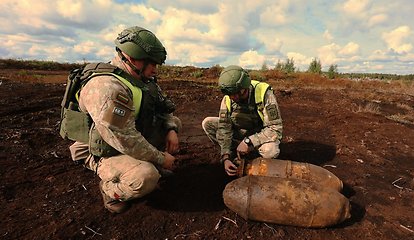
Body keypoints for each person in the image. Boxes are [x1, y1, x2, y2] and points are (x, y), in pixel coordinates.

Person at [63, 26, 181, 213]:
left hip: (127, 139)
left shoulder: (142, 79)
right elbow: (123, 138)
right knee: (145, 177)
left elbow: (164, 108)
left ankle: (150, 165)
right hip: (102, 150)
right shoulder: (107, 88)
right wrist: (160, 158)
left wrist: (172, 129)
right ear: (133, 59)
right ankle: (111, 190)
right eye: (152, 64)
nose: (155, 70)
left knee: (172, 124)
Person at [202, 65, 283, 176]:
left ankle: (255, 159)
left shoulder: (264, 94)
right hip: (240, 132)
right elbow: (224, 129)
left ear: (244, 88)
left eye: (235, 94)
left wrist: (248, 142)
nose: (232, 98)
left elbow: (275, 129)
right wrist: (225, 157)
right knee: (208, 123)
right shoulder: (228, 98)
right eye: (230, 95)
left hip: (259, 135)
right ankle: (235, 154)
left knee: (270, 151)